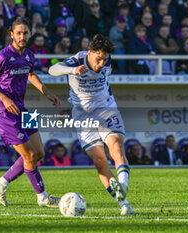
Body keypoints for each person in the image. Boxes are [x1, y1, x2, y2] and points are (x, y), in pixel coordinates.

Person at [48, 34, 135, 215]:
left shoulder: (106, 59)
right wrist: (71, 71)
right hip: (83, 115)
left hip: (106, 108)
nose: (101, 63)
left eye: (104, 59)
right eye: (98, 59)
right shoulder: (76, 61)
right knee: (99, 161)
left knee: (116, 146)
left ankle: (123, 186)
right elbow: (52, 69)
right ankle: (124, 204)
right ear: (89, 53)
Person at [0, 17, 62, 208]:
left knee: (39, 152)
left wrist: (47, 93)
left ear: (30, 33)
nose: (22, 36)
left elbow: (31, 74)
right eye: (18, 32)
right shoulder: (2, 56)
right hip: (4, 112)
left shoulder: (29, 55)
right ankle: (43, 197)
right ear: (11, 34)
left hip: (22, 109)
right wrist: (4, 98)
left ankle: (1, 183)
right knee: (29, 155)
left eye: (25, 32)